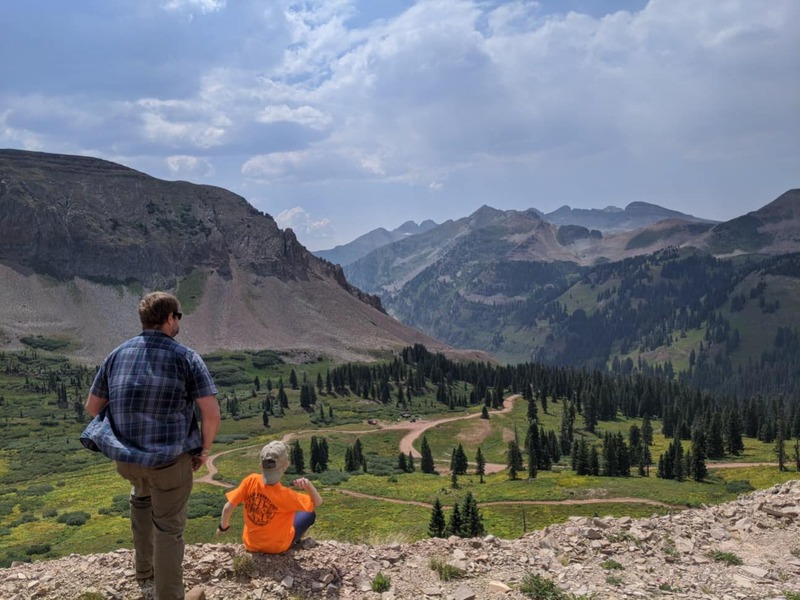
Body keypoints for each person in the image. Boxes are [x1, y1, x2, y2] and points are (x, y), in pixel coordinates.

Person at [81, 291, 220, 600]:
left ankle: (144, 569)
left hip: (128, 459)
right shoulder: (186, 357)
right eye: (179, 316)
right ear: (169, 318)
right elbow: (210, 414)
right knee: (169, 527)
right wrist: (204, 451)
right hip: (169, 461)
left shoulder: (117, 354)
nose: (179, 321)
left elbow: (93, 406)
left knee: (141, 499)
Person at [217, 440, 322, 553]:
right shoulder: (287, 495)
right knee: (309, 513)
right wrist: (308, 485)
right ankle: (291, 541)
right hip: (278, 548)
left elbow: (227, 508)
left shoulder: (250, 481)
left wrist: (223, 528)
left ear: (261, 466)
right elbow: (317, 502)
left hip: (251, 545)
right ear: (285, 466)